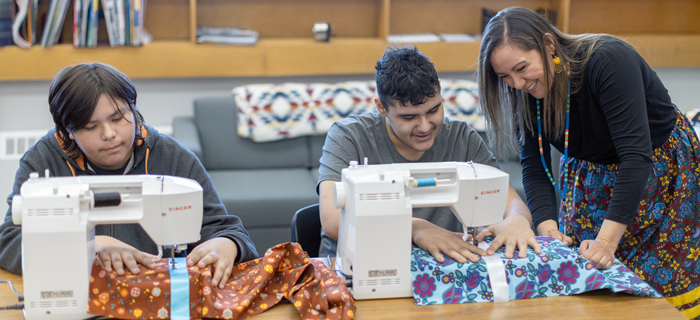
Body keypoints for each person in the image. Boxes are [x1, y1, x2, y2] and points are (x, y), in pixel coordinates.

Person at [477, 6, 700, 316]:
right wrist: (547, 227)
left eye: (522, 68)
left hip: (657, 172)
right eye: (505, 77)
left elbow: (636, 155)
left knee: (658, 287)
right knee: (594, 281)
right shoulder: (524, 89)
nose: (517, 83)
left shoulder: (608, 59)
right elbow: (535, 165)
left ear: (548, 44)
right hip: (592, 176)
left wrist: (607, 241)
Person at [0, 63, 258, 289]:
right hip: (79, 294)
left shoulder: (173, 157)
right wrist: (91, 244)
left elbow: (227, 229)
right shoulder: (42, 161)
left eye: (119, 117)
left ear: (133, 110)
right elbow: (9, 240)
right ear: (68, 131)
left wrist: (228, 244)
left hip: (154, 298)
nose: (109, 134)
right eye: (91, 126)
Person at [317, 46, 540, 264]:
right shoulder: (349, 136)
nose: (425, 127)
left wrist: (516, 219)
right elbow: (332, 220)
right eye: (409, 117)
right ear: (381, 107)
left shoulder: (461, 138)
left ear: (440, 91)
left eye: (433, 110)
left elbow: (509, 202)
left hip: (438, 271)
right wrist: (415, 228)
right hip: (358, 267)